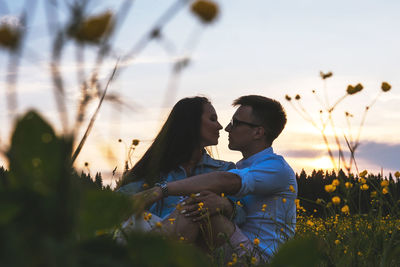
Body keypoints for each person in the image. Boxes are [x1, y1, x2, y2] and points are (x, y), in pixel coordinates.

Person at [132, 95, 297, 263]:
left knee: (197, 209)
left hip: (260, 259)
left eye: (235, 123)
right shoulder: (242, 167)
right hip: (227, 249)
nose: (226, 128)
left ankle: (135, 258)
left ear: (258, 132)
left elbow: (226, 181)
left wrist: (161, 190)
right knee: (198, 208)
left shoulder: (276, 168)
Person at [116, 96, 238, 225]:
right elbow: (116, 205)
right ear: (192, 122)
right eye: (212, 119)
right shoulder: (155, 171)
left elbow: (242, 215)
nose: (220, 126)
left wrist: (226, 204)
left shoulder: (224, 170)